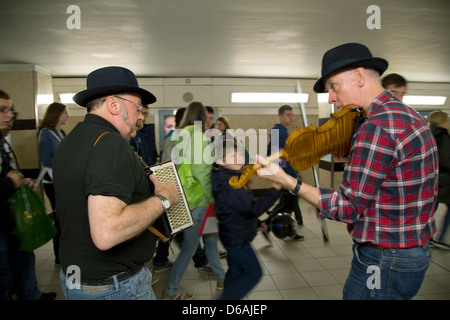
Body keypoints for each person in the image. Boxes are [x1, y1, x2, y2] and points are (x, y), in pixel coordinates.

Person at [256, 43, 438, 300]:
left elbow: (347, 207)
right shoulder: (407, 114)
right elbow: (391, 184)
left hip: (384, 258)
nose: (330, 97)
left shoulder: (376, 127)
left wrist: (286, 180)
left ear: (360, 76)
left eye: (333, 86)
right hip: (412, 249)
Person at [53, 66, 179, 300]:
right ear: (113, 105)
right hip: (114, 287)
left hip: (79, 279)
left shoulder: (72, 139)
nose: (141, 116)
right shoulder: (110, 144)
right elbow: (107, 233)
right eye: (137, 107)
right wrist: (163, 199)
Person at [163, 101, 225, 300]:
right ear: (200, 117)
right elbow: (201, 172)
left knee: (211, 240)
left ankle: (222, 278)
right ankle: (171, 291)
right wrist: (213, 197)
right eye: (208, 118)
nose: (211, 122)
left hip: (188, 199)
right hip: (200, 201)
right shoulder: (197, 136)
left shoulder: (180, 134)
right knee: (189, 248)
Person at [0, 90, 56, 300]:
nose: (9, 115)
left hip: (11, 220)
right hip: (2, 224)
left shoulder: (3, 141)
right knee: (4, 276)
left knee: (24, 259)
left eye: (10, 110)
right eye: (2, 110)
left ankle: (32, 295)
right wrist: (9, 182)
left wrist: (19, 181)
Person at [212, 138, 281, 300]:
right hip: (237, 239)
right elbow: (252, 209)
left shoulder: (230, 176)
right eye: (231, 156)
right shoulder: (231, 183)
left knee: (236, 271)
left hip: (233, 234)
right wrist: (275, 190)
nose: (238, 159)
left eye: (239, 154)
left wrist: (257, 223)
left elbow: (240, 208)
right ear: (221, 161)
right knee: (254, 273)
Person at [37, 102, 70, 266]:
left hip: (63, 179)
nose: (68, 116)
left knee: (65, 218)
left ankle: (65, 252)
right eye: (65, 113)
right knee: (59, 218)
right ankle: (59, 256)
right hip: (52, 181)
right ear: (56, 114)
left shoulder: (60, 132)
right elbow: (46, 159)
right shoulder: (45, 133)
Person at [267, 105, 304, 240]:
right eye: (288, 115)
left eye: (291, 115)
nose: (291, 117)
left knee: (287, 204)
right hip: (286, 175)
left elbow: (289, 155)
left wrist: (296, 171)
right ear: (280, 116)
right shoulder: (279, 132)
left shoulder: (283, 132)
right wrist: (288, 175)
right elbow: (279, 158)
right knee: (288, 205)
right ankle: (268, 225)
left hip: (289, 173)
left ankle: (285, 229)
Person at [428, 111, 450, 249]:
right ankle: (440, 238)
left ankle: (426, 236)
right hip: (445, 179)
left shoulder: (429, 134)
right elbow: (446, 159)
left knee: (430, 208)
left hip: (432, 177)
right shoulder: (443, 136)